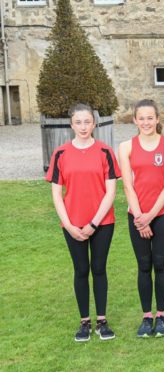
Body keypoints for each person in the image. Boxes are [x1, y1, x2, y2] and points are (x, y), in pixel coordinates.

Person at [46, 103, 120, 342]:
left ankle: (102, 321)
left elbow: (111, 192)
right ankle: (84, 323)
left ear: (94, 123)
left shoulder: (105, 151)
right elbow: (57, 194)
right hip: (72, 224)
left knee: (99, 269)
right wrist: (68, 225)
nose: (83, 126)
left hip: (102, 223)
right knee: (81, 270)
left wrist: (94, 224)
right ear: (71, 124)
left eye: (87, 122)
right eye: (78, 122)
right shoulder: (60, 153)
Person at [119, 99, 164, 337]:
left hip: (162, 214)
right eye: (141, 118)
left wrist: (150, 216)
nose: (146, 122)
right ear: (135, 120)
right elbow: (128, 186)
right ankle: (146, 317)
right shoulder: (126, 147)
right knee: (144, 266)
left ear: (157, 119)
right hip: (136, 215)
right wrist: (139, 218)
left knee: (160, 264)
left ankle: (161, 316)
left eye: (150, 118)